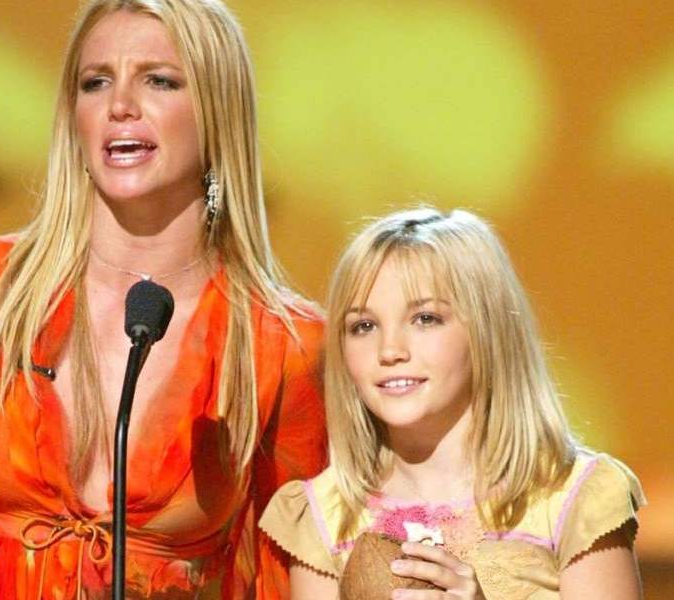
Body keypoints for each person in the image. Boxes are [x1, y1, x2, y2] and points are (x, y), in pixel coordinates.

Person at [0, 1, 326, 598]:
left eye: (159, 80)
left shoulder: (283, 345)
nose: (119, 104)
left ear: (219, 110)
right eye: (95, 82)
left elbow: (298, 569)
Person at [259, 208, 645, 599]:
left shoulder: (570, 496)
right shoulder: (326, 516)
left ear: (487, 330)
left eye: (425, 319)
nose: (390, 350)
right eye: (364, 326)